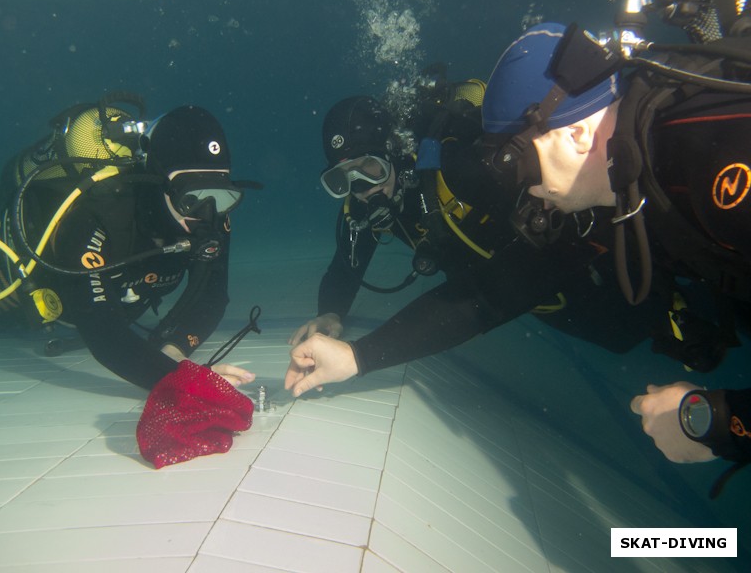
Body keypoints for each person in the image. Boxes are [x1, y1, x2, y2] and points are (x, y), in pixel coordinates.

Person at [479, 13, 751, 473]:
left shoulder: (718, 160)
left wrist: (718, 421)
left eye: (517, 165)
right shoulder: (639, 181)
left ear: (578, 133)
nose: (526, 191)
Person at [284, 77, 668, 398]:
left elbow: (513, 281)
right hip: (529, 300)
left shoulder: (460, 172)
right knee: (616, 336)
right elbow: (345, 268)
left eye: (369, 168)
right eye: (342, 179)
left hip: (585, 269)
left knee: (638, 324)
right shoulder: (366, 206)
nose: (361, 188)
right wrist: (331, 313)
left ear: (396, 154)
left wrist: (360, 356)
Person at [0, 94, 258, 391]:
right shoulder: (98, 212)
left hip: (120, 300)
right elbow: (103, 333)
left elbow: (212, 296)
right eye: (191, 198)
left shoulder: (213, 218)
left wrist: (174, 352)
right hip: (19, 285)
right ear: (156, 181)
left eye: (220, 196)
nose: (206, 215)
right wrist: (175, 378)